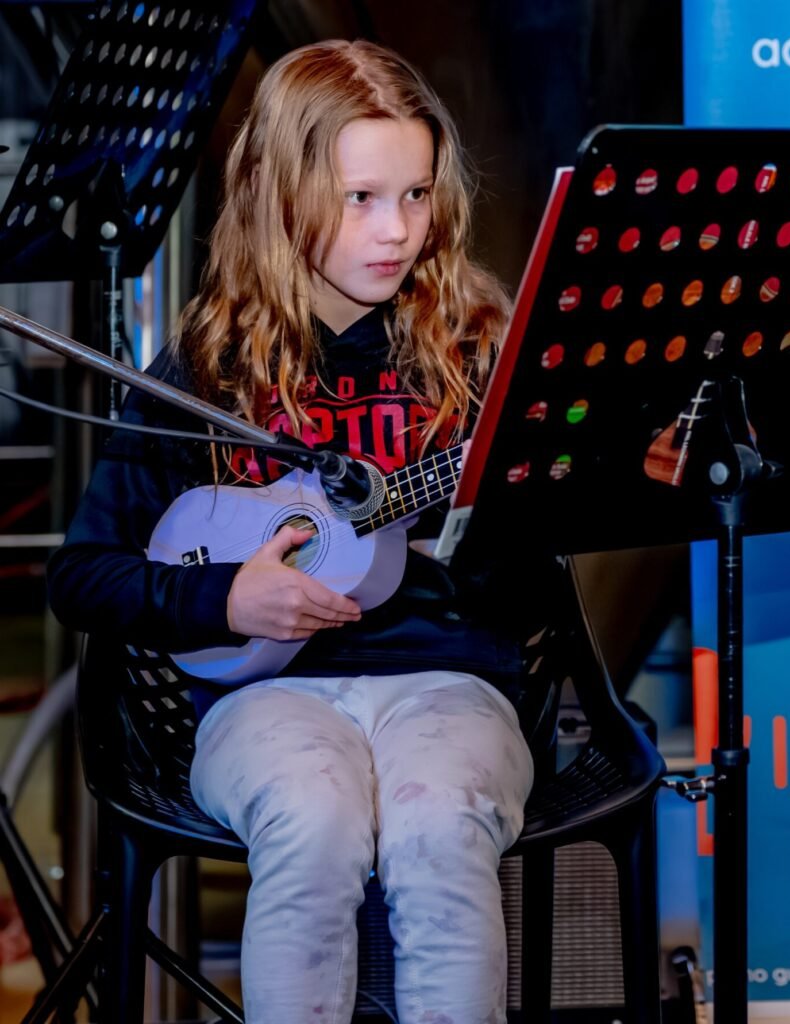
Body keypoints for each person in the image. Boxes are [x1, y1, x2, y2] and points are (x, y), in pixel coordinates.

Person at [47, 39, 539, 1024]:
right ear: (279, 191)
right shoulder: (204, 364)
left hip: (446, 681)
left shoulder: (481, 345)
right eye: (360, 197)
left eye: (415, 193)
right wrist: (222, 598)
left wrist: (534, 508)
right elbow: (83, 574)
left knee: (438, 827)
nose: (396, 230)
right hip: (265, 698)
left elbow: (532, 582)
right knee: (312, 821)